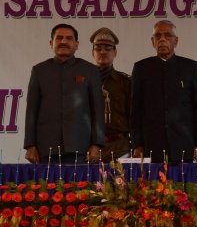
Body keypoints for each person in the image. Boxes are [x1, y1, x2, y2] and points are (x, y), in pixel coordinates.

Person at [24, 24, 104, 164]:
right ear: (51, 43)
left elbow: (97, 110)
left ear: (76, 44)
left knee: (82, 187)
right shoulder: (39, 71)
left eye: (69, 38)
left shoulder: (89, 70)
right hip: (46, 149)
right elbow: (32, 111)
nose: (64, 42)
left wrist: (96, 144)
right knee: (45, 187)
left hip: (81, 148)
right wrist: (30, 145)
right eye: (59, 38)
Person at [131, 20, 197, 163]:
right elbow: (136, 110)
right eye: (158, 36)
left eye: (167, 35)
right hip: (151, 143)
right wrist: (137, 144)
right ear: (152, 41)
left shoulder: (191, 67)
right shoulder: (141, 68)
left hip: (184, 142)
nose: (162, 39)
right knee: (151, 185)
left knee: (183, 184)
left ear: (176, 41)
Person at [90, 27, 131, 163]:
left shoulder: (126, 82)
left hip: (120, 148)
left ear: (115, 52)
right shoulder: (84, 82)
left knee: (121, 184)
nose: (103, 52)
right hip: (89, 149)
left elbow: (135, 117)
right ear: (92, 53)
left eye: (108, 48)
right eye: (98, 48)